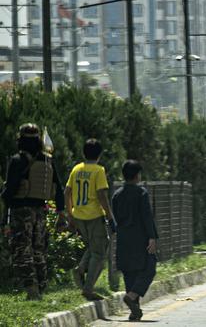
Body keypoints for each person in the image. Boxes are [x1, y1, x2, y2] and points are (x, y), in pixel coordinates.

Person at [0, 123, 66, 300]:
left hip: (21, 212)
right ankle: (41, 287)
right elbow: (58, 189)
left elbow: (11, 191)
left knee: (22, 251)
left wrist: (4, 196)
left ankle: (32, 290)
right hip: (41, 212)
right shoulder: (47, 160)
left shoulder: (17, 160)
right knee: (39, 251)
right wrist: (61, 214)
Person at [65, 138, 115, 301]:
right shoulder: (99, 170)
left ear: (83, 153)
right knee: (99, 252)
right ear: (100, 154)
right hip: (94, 216)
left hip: (78, 215)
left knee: (94, 247)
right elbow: (101, 194)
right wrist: (110, 215)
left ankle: (80, 270)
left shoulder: (76, 169)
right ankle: (88, 288)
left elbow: (67, 192)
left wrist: (70, 214)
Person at [112, 160, 158, 321]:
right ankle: (131, 297)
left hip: (123, 238)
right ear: (137, 175)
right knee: (149, 267)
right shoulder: (141, 193)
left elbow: (114, 217)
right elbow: (147, 217)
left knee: (129, 273)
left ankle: (134, 311)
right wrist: (152, 237)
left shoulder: (117, 195)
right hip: (140, 238)